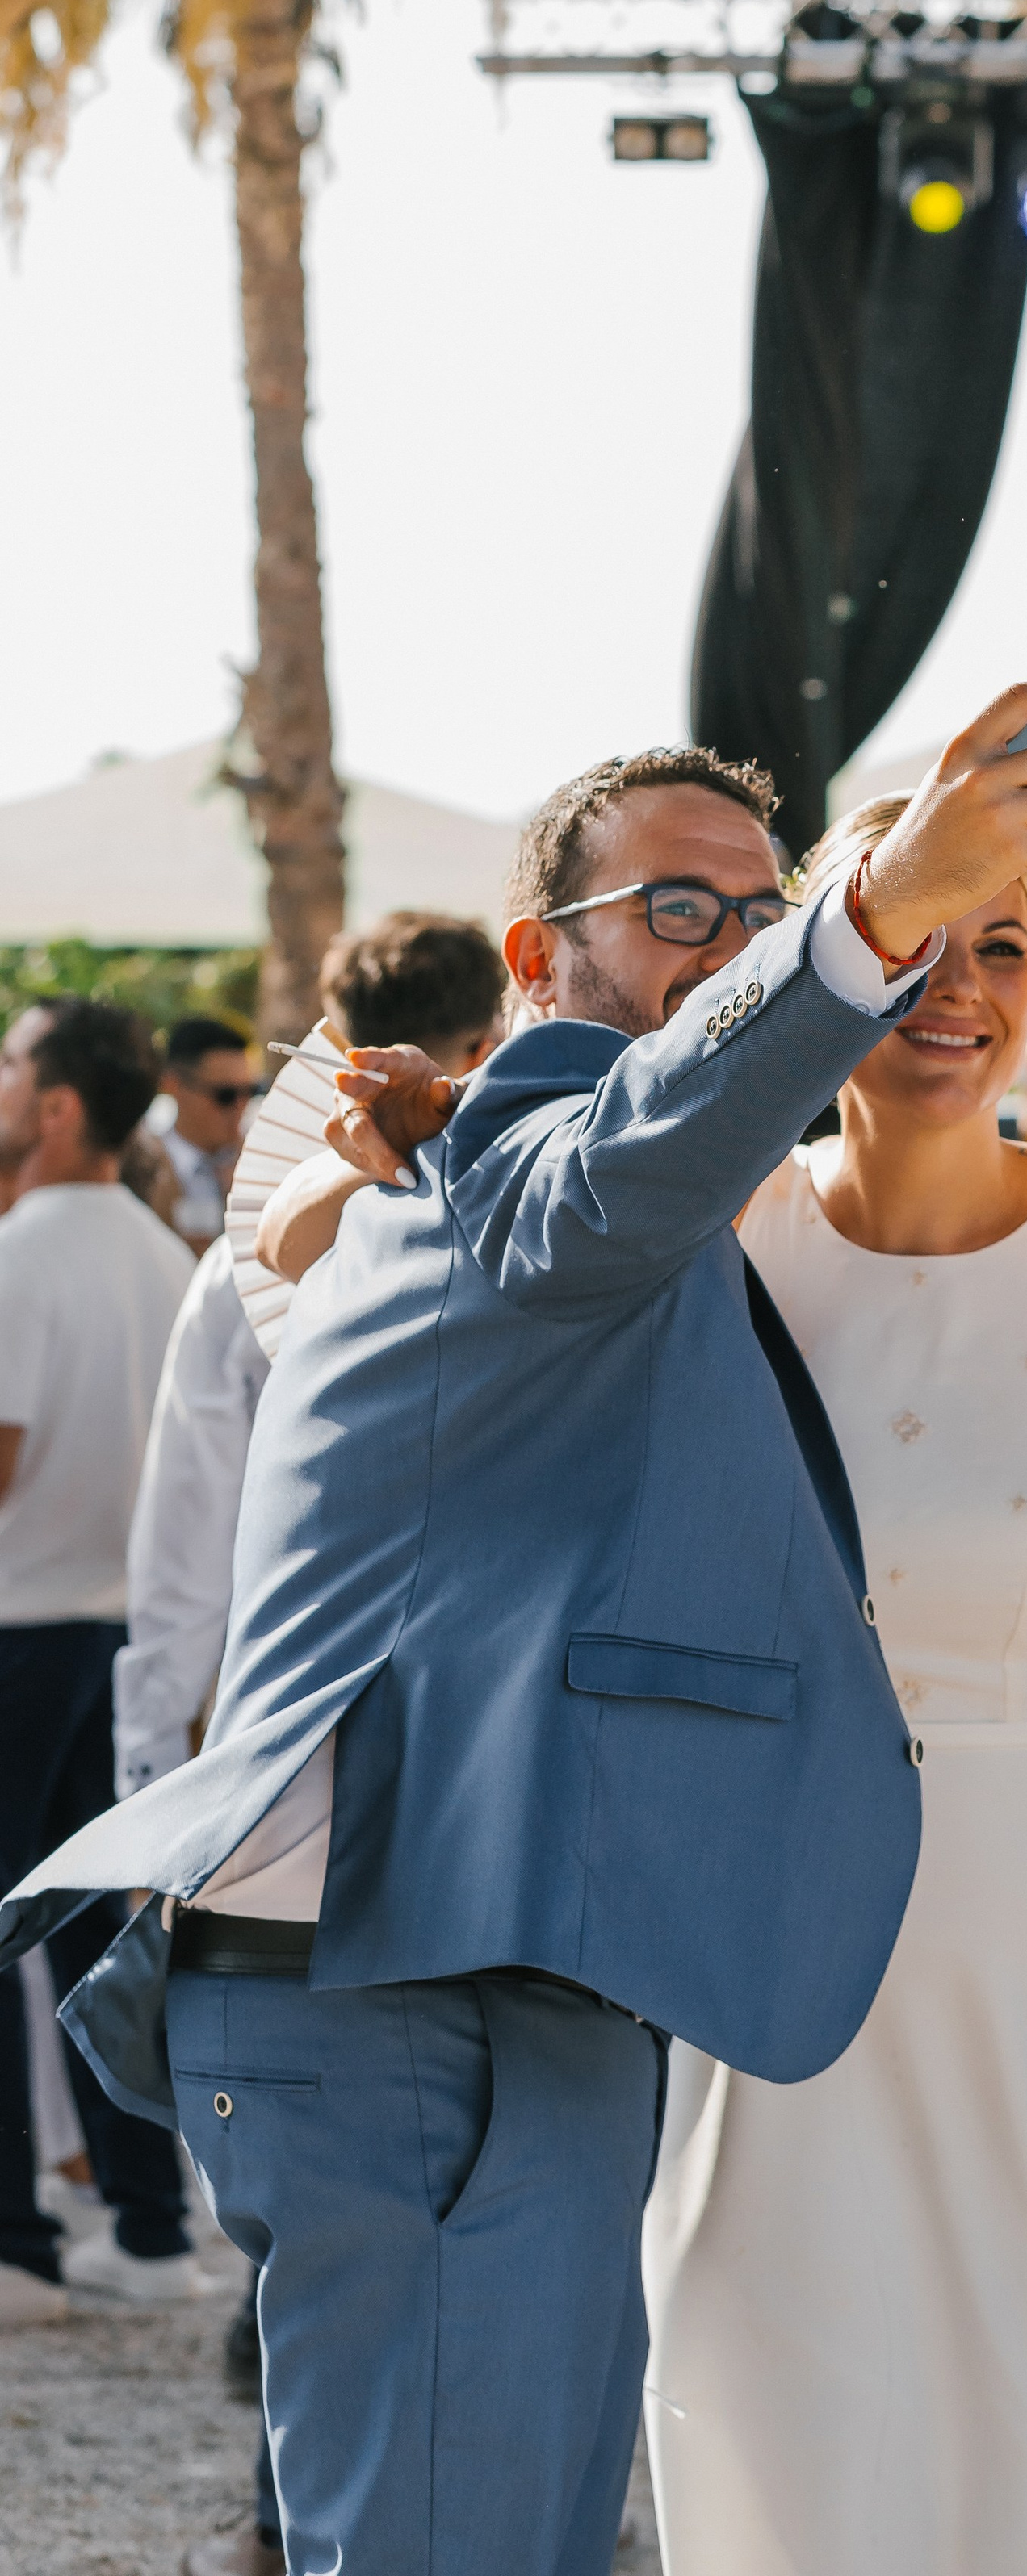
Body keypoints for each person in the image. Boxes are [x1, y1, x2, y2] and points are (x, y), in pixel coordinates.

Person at [0, 693, 1027, 2576]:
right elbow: (593, 1179)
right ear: (537, 959)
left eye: (760, 908)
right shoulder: (537, 1151)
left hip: (504, 1965)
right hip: (402, 1983)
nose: (730, 945)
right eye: (679, 910)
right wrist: (876, 906)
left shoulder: (507, 1166)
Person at [636, 795, 1027, 2576]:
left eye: (1003, 946)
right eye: (914, 939)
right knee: (785, 2382)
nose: (958, 989)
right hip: (778, 1907)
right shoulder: (707, 1242)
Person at [115, 915, 506, 2576]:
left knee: (328, 2155)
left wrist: (154, 1785)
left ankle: (317, 2504)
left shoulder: (245, 1268)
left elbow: (182, 1554)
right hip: (483, 1767)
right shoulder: (530, 1229)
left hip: (286, 1779)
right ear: (490, 1034)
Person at [0, 997, 199, 2326]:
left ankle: (15, 2246)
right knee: (94, 1929)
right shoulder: (165, 1254)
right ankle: (150, 2228)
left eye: (13, 1063)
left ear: (59, 1105)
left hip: (18, 1625)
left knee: (37, 1932)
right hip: (121, 1628)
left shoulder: (22, 1251)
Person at [150, 1016, 260, 1252]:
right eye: (226, 1095)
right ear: (173, 1085)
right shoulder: (143, 1166)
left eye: (251, 1091)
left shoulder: (261, 1162)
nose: (241, 1106)